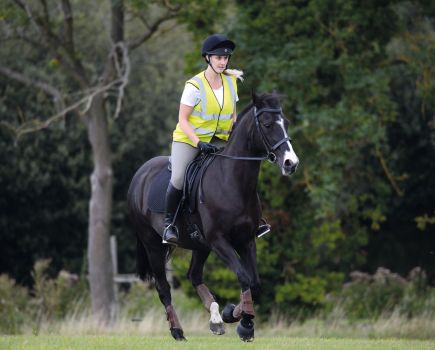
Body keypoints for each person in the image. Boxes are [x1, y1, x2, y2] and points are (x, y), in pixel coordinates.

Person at [162, 34, 270, 246]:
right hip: (189, 139)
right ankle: (169, 224)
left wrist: (235, 135)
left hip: (219, 140)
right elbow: (182, 120)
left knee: (241, 171)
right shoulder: (194, 86)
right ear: (207, 58)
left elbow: (233, 115)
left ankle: (254, 220)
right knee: (179, 177)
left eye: (226, 58)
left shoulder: (231, 82)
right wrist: (198, 142)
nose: (223, 61)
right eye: (218, 57)